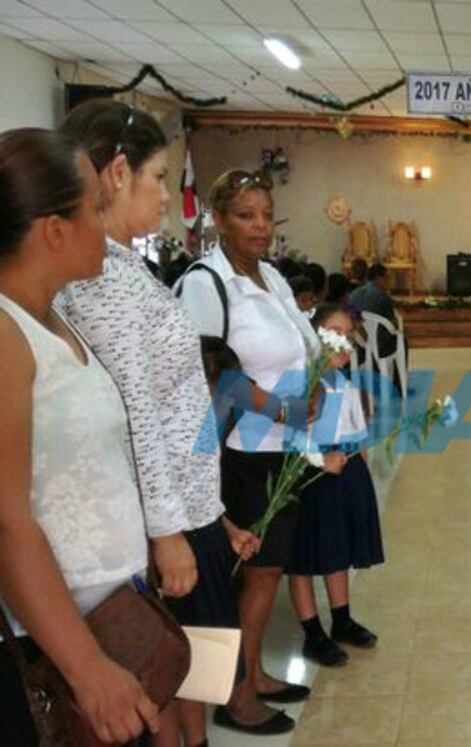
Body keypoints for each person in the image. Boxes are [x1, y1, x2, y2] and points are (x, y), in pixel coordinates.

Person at [55, 99, 287, 741]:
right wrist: (168, 533)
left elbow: (173, 402)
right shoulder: (100, 281)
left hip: (190, 508)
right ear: (117, 174)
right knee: (175, 668)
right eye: (159, 177)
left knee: (197, 668)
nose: (166, 196)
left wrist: (214, 515)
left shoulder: (124, 268)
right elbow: (138, 413)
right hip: (168, 520)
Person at [0, 128, 160, 746]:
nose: (105, 224)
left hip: (108, 618)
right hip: (55, 647)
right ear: (53, 231)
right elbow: (7, 521)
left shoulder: (54, 316)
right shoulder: (5, 335)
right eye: (94, 207)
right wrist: (87, 668)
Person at [176, 169, 321, 717]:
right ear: (218, 219)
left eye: (266, 215)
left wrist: (317, 382)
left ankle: (252, 674)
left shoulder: (270, 276)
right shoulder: (206, 283)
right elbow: (211, 377)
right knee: (251, 576)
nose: (260, 226)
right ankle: (234, 696)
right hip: (240, 451)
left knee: (267, 573)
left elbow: (303, 343)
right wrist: (284, 408)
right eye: (245, 215)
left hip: (282, 444)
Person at [289, 305, 384, 667]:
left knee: (338, 548)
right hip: (312, 474)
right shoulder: (302, 383)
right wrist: (319, 459)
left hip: (346, 472)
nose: (341, 342)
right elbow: (289, 434)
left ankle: (341, 619)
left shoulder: (346, 383)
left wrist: (361, 469)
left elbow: (358, 433)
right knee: (303, 557)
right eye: (333, 332)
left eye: (347, 335)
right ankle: (312, 631)